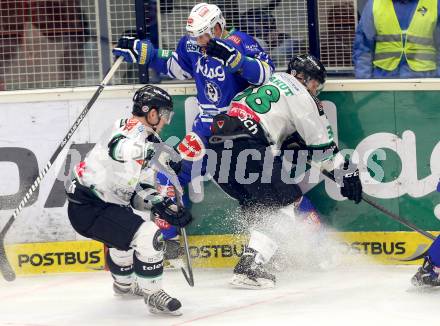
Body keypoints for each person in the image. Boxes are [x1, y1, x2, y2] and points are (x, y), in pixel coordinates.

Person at [113, 2, 274, 241]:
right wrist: (148, 55)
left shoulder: (241, 42)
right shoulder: (191, 45)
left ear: (219, 26)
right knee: (169, 171)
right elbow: (176, 67)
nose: (200, 42)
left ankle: (308, 233)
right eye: (196, 36)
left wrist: (239, 62)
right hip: (205, 129)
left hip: (240, 130)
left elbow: (267, 74)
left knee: (271, 186)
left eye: (204, 35)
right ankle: (170, 240)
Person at [208, 54, 363, 289]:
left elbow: (279, 131)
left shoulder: (266, 83)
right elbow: (323, 149)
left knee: (258, 206)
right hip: (250, 145)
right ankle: (249, 267)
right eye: (315, 84)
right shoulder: (301, 95)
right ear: (304, 78)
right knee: (283, 207)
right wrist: (346, 173)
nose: (315, 90)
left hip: (218, 147)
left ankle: (267, 255)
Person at [65, 85, 192, 315]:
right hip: (90, 206)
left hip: (101, 205)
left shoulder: (146, 137)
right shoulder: (128, 129)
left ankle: (123, 285)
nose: (165, 121)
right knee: (148, 236)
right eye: (164, 115)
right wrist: (157, 152)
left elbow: (139, 188)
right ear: (151, 113)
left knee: (125, 235)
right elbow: (118, 149)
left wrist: (163, 205)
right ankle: (153, 294)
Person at [353, 0, 440, 78]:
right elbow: (363, 47)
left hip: (426, 82)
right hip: (384, 81)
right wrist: (364, 83)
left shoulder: (435, 4)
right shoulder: (374, 4)